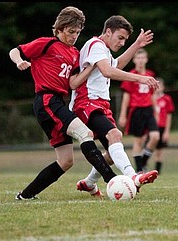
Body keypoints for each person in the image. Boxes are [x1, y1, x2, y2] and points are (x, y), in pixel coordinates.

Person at [9, 6, 119, 201]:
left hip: (57, 103)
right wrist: (19, 61)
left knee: (66, 161)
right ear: (59, 29)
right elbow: (15, 51)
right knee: (85, 133)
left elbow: (74, 82)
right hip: (47, 101)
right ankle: (112, 180)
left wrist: (93, 66)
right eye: (70, 31)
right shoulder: (47, 44)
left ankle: (25, 195)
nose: (74, 36)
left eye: (77, 32)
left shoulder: (75, 53)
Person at [69, 15, 159, 195]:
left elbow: (117, 64)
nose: (123, 43)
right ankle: (133, 176)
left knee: (112, 152)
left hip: (100, 104)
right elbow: (108, 71)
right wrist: (141, 78)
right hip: (87, 101)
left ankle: (88, 183)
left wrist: (136, 45)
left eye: (126, 40)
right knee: (114, 135)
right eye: (120, 38)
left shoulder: (104, 51)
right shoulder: (96, 45)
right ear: (108, 31)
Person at [118, 48, 160, 172]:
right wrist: (123, 115)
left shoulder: (150, 75)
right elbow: (126, 97)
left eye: (143, 58)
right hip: (136, 111)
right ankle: (139, 169)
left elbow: (153, 94)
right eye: (138, 58)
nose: (141, 61)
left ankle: (143, 161)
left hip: (148, 109)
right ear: (134, 60)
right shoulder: (131, 75)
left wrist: (156, 110)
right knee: (139, 140)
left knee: (155, 136)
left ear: (146, 59)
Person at [147, 77, 175, 174]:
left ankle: (157, 172)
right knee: (147, 148)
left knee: (159, 152)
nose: (158, 88)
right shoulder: (150, 99)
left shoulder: (167, 99)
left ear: (163, 87)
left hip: (162, 127)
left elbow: (169, 116)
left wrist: (166, 132)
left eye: (160, 86)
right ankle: (142, 167)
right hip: (150, 128)